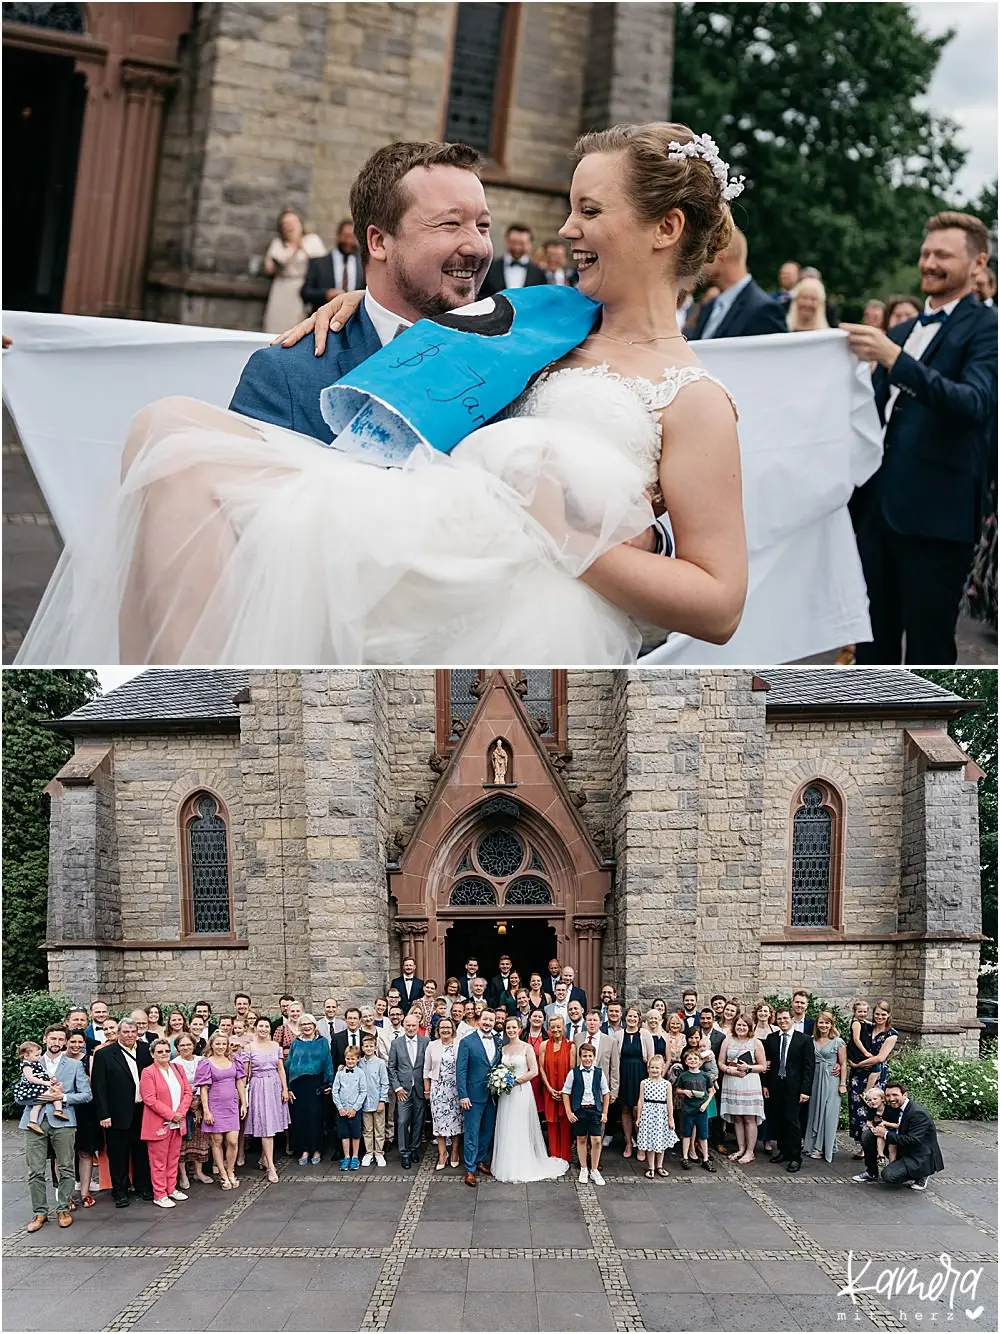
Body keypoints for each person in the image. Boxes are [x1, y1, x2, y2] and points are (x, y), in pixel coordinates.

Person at [25, 126, 747, 668]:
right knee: (166, 433)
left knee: (172, 437)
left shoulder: (697, 398)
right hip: (422, 530)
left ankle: (200, 716)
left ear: (666, 227)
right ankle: (177, 715)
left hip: (503, 588)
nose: (565, 230)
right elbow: (439, 332)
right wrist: (351, 302)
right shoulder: (548, 321)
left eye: (589, 209)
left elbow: (717, 603)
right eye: (570, 209)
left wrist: (567, 539)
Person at [844, 210, 997, 664]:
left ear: (978, 264)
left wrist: (894, 358)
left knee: (929, 650)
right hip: (876, 512)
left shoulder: (988, 327)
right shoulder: (902, 330)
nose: (929, 263)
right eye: (926, 253)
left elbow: (974, 403)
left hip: (937, 517)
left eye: (943, 256)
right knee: (873, 651)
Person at [17, 1026, 91, 1232]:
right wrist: (40, 1098)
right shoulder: (31, 1062)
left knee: (67, 1166)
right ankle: (40, 1212)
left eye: (60, 1039)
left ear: (65, 1042)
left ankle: (62, 1208)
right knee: (35, 1170)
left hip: (64, 1120)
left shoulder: (75, 1065)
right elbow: (18, 1095)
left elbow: (86, 1095)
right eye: (53, 1038)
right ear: (45, 1039)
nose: (56, 1042)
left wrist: (62, 1097)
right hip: (35, 1121)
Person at [492, 1015, 569, 1182]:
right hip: (506, 1094)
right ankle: (507, 1163)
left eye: (514, 1028)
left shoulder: (526, 1048)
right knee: (507, 1125)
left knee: (521, 1126)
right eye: (508, 1028)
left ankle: (523, 1163)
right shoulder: (503, 1049)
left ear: (519, 1029)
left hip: (521, 1091)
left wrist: (514, 1081)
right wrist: (501, 1080)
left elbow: (534, 1071)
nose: (511, 1031)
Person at [91, 1018, 153, 1207]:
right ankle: (120, 1191)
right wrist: (103, 1114)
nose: (130, 1035)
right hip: (116, 1113)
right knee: (118, 1154)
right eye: (125, 1032)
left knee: (141, 1151)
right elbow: (98, 1086)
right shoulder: (105, 1054)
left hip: (142, 1109)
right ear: (118, 1033)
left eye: (133, 1031)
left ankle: (143, 1186)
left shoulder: (144, 1050)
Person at [688, 227, 787, 339]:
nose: (698, 262)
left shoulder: (763, 310)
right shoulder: (709, 307)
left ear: (721, 254)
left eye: (703, 254)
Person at [854, 1079, 944, 1190]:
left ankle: (921, 1174)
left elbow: (913, 1140)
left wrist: (885, 1133)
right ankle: (871, 1172)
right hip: (899, 1147)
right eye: (888, 1095)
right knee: (868, 1135)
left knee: (889, 1176)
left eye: (895, 1095)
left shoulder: (917, 1113)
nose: (891, 1099)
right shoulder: (893, 1106)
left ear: (905, 1095)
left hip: (917, 1155)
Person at [139, 1038, 193, 1208]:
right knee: (158, 1161)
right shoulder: (148, 1072)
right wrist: (171, 1115)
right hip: (159, 1123)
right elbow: (149, 1099)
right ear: (152, 1054)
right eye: (160, 1051)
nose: (164, 1054)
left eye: (166, 1051)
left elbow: (187, 1092)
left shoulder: (178, 1068)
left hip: (178, 1122)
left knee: (173, 1157)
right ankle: (160, 1194)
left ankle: (171, 1188)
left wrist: (181, 1113)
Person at [456, 1007, 503, 1186]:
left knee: (487, 1131)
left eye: (491, 1020)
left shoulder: (498, 1041)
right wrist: (463, 1095)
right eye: (485, 1019)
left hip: (492, 1095)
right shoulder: (467, 1042)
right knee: (471, 1133)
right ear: (478, 1020)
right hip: (473, 1096)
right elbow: (460, 1071)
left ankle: (481, 1160)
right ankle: (470, 1169)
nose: (488, 1023)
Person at [763, 1009, 815, 1172]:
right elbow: (767, 1065)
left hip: (795, 1087)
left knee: (793, 1121)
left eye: (785, 1018)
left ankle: (795, 1157)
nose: (782, 1021)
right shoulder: (771, 1039)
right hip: (776, 1085)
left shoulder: (804, 1040)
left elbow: (809, 1067)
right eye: (779, 1019)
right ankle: (783, 1151)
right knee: (778, 1120)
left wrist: (805, 1090)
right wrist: (765, 1085)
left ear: (792, 1019)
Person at [195, 1029, 247, 1189]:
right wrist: (206, 1111)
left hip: (231, 1105)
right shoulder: (206, 1062)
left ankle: (231, 1171)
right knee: (216, 1141)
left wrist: (243, 1103)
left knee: (232, 1141)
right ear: (212, 1044)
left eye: (223, 1044)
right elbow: (203, 1089)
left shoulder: (234, 1060)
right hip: (214, 1105)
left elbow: (239, 1082)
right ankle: (223, 1175)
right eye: (217, 1043)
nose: (220, 1046)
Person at [262, 209, 327, 334]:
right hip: (282, 286)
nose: (289, 226)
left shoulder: (312, 240)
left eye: (292, 222)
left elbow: (321, 263)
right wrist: (293, 248)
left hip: (303, 286)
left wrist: (302, 246)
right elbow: (269, 268)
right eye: (285, 223)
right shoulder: (278, 244)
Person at [243, 1016, 290, 1182]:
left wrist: (285, 1089)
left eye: (266, 1026)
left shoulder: (275, 1046)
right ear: (255, 1027)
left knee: (272, 1124)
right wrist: (243, 1095)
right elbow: (245, 1074)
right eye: (260, 1026)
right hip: (258, 1086)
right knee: (265, 1126)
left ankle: (264, 1158)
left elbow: (281, 1069)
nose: (263, 1029)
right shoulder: (249, 1048)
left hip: (274, 1084)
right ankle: (271, 1166)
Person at [285, 1013, 334, 1166]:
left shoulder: (322, 1042)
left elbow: (328, 1062)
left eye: (309, 1024)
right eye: (303, 1024)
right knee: (300, 1118)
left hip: (316, 1084)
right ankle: (304, 1149)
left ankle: (317, 1149)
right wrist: (288, 1086)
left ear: (314, 1025)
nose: (306, 1027)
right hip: (299, 1085)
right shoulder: (296, 1043)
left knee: (316, 1118)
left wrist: (329, 1082)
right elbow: (289, 1064)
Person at [718, 1015, 766, 1164]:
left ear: (750, 1028)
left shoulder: (755, 1043)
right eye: (739, 1025)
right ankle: (741, 1148)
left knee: (749, 1117)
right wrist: (729, 1070)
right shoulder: (727, 1040)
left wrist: (749, 1068)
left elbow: (763, 1066)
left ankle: (750, 1152)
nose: (741, 1028)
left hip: (749, 1082)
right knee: (737, 1117)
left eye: (745, 1026)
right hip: (732, 1081)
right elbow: (720, 1062)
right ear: (734, 1026)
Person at [562, 1040, 609, 1185]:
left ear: (594, 1057)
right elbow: (565, 1092)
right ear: (580, 1057)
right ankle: (583, 1168)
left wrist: (605, 1112)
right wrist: (569, 1112)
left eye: (590, 1056)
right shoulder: (574, 1073)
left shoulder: (599, 1073)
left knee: (596, 1140)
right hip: (580, 1110)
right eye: (584, 1056)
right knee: (581, 1139)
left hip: (595, 1110)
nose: (587, 1059)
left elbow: (606, 1093)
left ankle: (594, 1169)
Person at [804, 1012, 847, 1162]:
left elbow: (843, 1064)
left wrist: (842, 1084)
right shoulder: (811, 1040)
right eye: (821, 1023)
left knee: (828, 1113)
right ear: (817, 1024)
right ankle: (813, 1144)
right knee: (815, 1110)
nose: (824, 1026)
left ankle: (822, 1147)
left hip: (831, 1079)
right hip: (815, 1078)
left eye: (827, 1023)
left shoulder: (838, 1042)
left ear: (831, 1024)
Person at [171, 1032, 213, 1187]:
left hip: (202, 1103)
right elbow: (176, 1087)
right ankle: (183, 1175)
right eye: (182, 1045)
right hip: (183, 1106)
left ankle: (198, 1171)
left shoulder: (201, 1061)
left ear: (194, 1045)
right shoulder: (174, 1064)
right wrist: (190, 1105)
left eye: (188, 1044)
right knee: (183, 1142)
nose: (186, 1047)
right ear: (177, 1048)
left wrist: (200, 1104)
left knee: (201, 1139)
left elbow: (207, 1082)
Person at [387, 1012, 428, 1169]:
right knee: (403, 1121)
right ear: (404, 1026)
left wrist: (427, 1087)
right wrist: (397, 1088)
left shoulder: (426, 1042)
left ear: (418, 1026)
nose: (411, 1028)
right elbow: (391, 1067)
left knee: (418, 1121)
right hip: (403, 1090)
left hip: (419, 1088)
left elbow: (428, 1065)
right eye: (408, 1025)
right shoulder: (396, 1043)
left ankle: (414, 1148)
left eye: (414, 1025)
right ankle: (404, 1153)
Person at [301, 218, 363, 314]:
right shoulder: (318, 263)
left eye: (353, 237)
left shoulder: (364, 264)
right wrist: (326, 294)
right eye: (345, 236)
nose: (349, 241)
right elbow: (305, 293)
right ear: (338, 236)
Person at [423, 1016, 461, 1170]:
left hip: (455, 1090)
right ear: (438, 1030)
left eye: (448, 1027)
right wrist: (427, 1089)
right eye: (442, 1027)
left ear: (453, 1030)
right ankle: (442, 1153)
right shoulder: (432, 1045)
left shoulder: (459, 1045)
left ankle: (455, 1153)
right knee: (439, 1122)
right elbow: (426, 1069)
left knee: (456, 1123)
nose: (446, 1030)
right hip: (438, 1089)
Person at [617, 1004, 655, 1157]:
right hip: (624, 1074)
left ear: (639, 1019)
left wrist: (650, 1079)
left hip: (640, 1075)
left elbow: (651, 1059)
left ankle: (641, 1144)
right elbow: (616, 1058)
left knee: (638, 1110)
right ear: (625, 1018)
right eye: (629, 1016)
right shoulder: (619, 1034)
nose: (632, 1019)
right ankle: (628, 1143)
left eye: (635, 1016)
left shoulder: (645, 1034)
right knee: (626, 1108)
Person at [538, 1013, 575, 1164]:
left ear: (563, 1027)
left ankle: (565, 1155)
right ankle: (554, 1155)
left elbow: (573, 1070)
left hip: (566, 1090)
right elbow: (541, 1068)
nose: (556, 1030)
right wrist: (549, 1088)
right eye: (552, 1027)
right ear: (548, 1028)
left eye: (558, 1026)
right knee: (551, 1122)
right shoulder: (544, 1045)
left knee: (565, 1121)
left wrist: (565, 1091)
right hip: (549, 1089)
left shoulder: (571, 1046)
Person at [635, 1052, 677, 1179]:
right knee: (650, 1142)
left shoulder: (666, 1084)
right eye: (652, 1067)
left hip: (661, 1115)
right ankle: (651, 1167)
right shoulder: (644, 1083)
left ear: (662, 1069)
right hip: (648, 1115)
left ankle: (660, 1166)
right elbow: (641, 1100)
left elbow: (670, 1102)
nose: (654, 1070)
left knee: (660, 1141)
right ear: (648, 1068)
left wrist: (671, 1118)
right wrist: (639, 1117)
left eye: (657, 1067)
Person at [674, 1047, 715, 1171]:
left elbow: (711, 1091)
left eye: (695, 1059)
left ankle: (706, 1159)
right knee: (686, 1133)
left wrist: (705, 1104)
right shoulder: (683, 1076)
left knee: (703, 1135)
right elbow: (677, 1089)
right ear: (686, 1062)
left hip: (701, 1110)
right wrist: (684, 1091)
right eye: (690, 1059)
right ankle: (685, 1157)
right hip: (688, 1109)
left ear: (700, 1061)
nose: (692, 1061)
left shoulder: (705, 1076)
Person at [479, 221, 548, 296]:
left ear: (530, 244)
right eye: (514, 242)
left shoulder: (539, 273)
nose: (517, 247)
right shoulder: (489, 268)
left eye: (522, 244)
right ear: (506, 241)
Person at [16, 1040, 70, 1131]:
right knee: (50, 1097)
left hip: (40, 1085)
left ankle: (35, 1120)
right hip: (34, 1087)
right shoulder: (26, 1065)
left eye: (39, 1055)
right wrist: (45, 1083)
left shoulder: (35, 1063)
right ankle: (56, 1111)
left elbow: (43, 1072)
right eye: (36, 1055)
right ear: (26, 1056)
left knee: (42, 1102)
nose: (39, 1057)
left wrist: (51, 1076)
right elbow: (30, 1078)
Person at [356, 1031, 389, 1168]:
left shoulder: (380, 1063)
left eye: (371, 1046)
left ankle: (379, 1153)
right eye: (366, 1046)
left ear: (375, 1047)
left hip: (377, 1101)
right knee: (367, 1129)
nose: (369, 1048)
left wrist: (382, 1100)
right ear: (362, 1048)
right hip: (364, 1102)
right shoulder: (359, 1063)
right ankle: (369, 1152)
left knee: (379, 1128)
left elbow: (384, 1083)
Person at [331, 1044, 366, 1171]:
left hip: (354, 1110)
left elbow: (363, 1091)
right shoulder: (339, 1074)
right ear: (344, 1059)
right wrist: (340, 1107)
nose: (350, 1061)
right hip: (342, 1110)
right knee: (344, 1134)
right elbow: (335, 1091)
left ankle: (355, 1157)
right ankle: (346, 1157)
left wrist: (355, 1108)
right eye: (348, 1058)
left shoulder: (361, 1073)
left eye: (353, 1059)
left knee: (356, 1134)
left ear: (358, 1059)